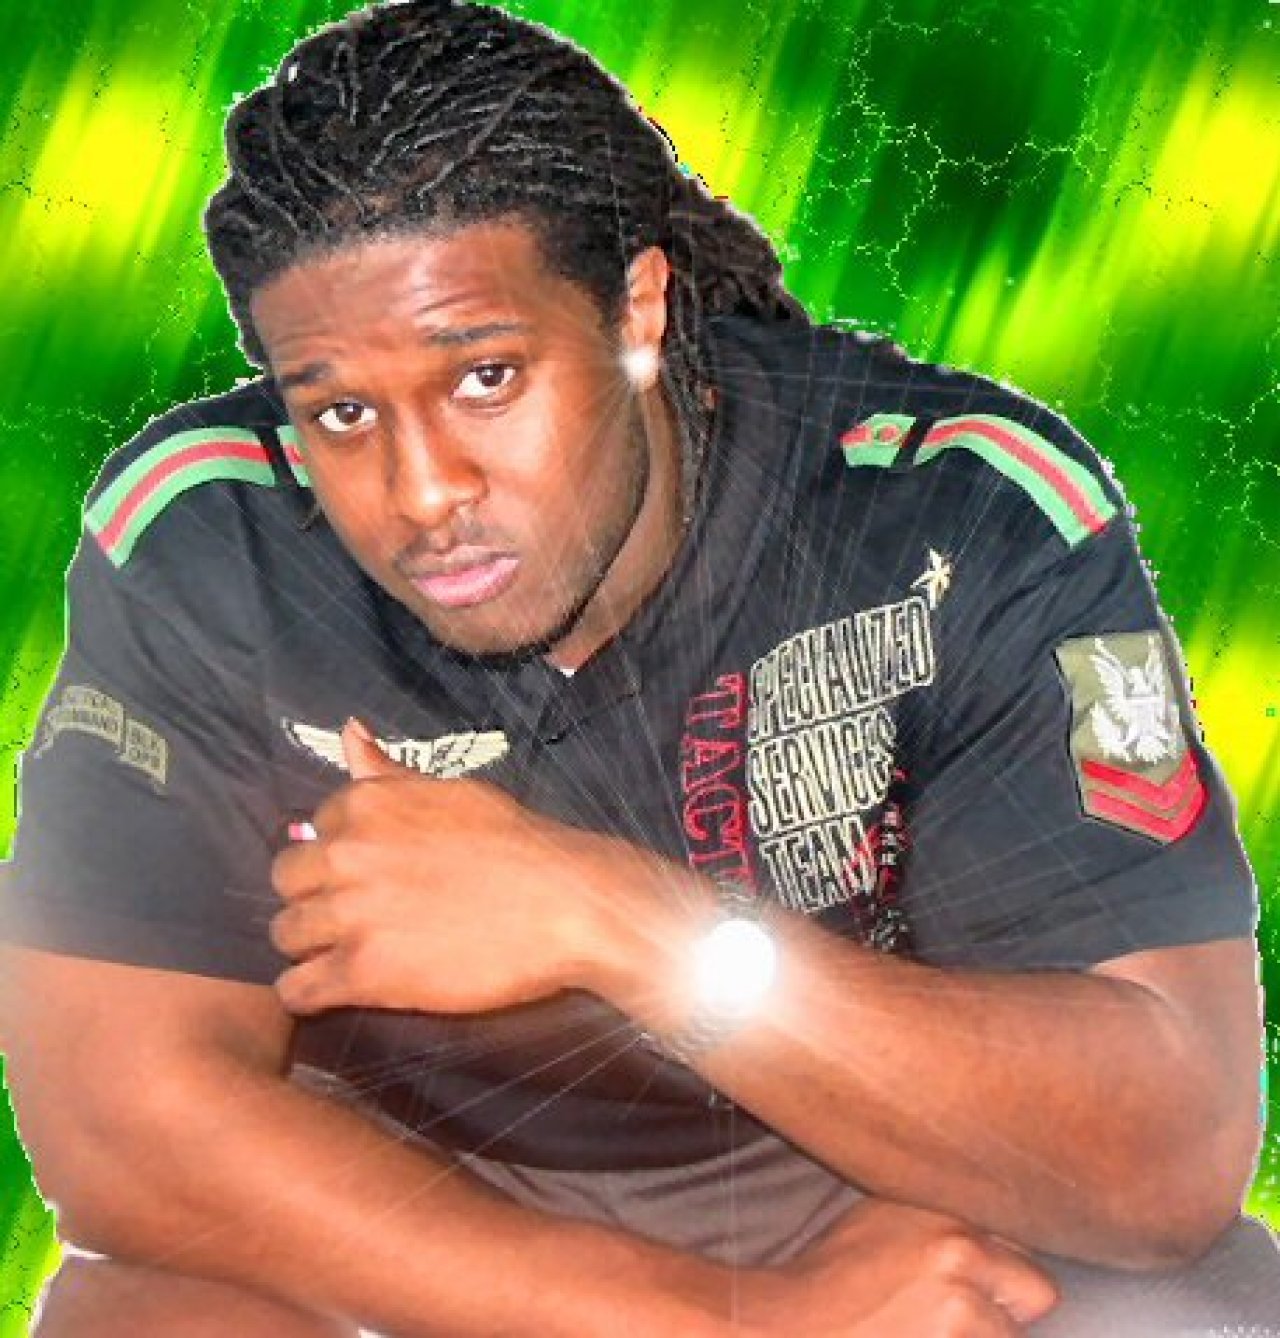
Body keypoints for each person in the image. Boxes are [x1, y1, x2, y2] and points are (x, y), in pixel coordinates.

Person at [1, 1, 1276, 1333]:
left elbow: (1167, 1153)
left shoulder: (949, 506)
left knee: (1187, 1319)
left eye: (487, 377)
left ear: (638, 310)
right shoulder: (209, 540)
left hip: (869, 1158)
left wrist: (623, 927)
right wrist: (733, 1320)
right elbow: (120, 1128)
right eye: (342, 410)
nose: (423, 492)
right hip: (409, 1202)